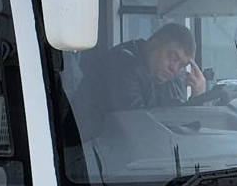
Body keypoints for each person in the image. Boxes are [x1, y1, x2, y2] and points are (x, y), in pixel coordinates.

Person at [76, 23, 210, 122]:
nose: (175, 69)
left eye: (182, 65)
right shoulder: (121, 64)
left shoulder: (169, 79)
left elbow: (176, 124)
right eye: (172, 57)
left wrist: (198, 97)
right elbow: (140, 124)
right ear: (153, 44)